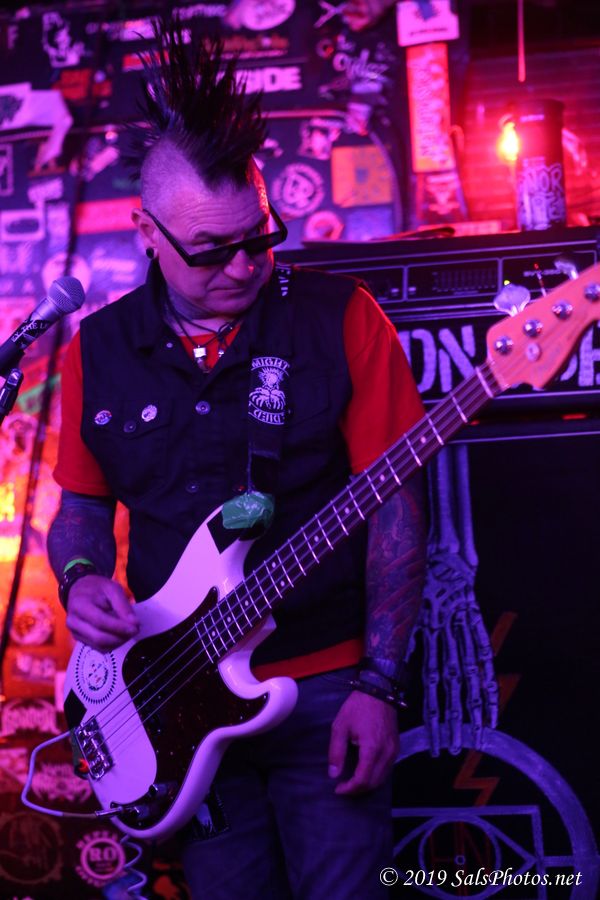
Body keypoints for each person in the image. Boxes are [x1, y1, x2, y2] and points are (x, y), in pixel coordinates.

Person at [48, 20, 427, 900]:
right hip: (170, 699)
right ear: (147, 233)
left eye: (258, 237)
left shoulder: (341, 317)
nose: (244, 266)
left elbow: (398, 504)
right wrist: (79, 579)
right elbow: (81, 507)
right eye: (211, 251)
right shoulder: (95, 350)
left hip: (327, 684)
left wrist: (380, 683)